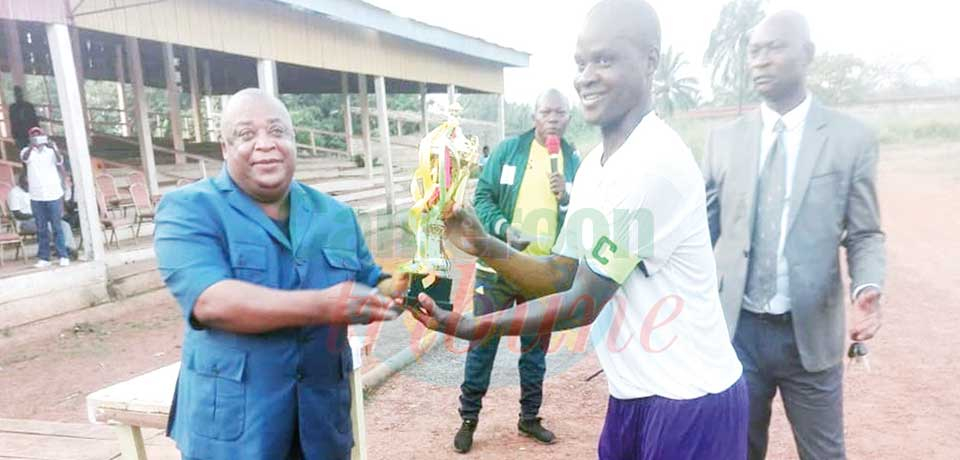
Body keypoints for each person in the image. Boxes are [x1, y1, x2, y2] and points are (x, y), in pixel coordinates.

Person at [410, 1, 748, 458]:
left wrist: (475, 326)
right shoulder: (592, 166)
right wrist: (480, 242)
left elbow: (580, 303)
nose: (585, 76)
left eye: (604, 60)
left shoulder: (655, 164)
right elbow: (562, 272)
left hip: (689, 400)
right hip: (633, 393)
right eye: (581, 62)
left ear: (650, 62)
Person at [154, 88, 407, 460]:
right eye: (246, 135)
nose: (265, 144)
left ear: (293, 141)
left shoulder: (335, 215)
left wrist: (406, 287)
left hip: (320, 425)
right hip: (235, 432)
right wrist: (325, 305)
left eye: (277, 131)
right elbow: (211, 301)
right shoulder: (189, 209)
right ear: (225, 148)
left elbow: (369, 278)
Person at [701, 11, 886, 460]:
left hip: (810, 336)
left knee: (823, 454)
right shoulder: (722, 141)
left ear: (808, 55)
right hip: (738, 333)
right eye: (754, 51)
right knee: (736, 451)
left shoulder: (849, 138)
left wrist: (867, 287)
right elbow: (704, 233)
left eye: (774, 48)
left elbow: (865, 233)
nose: (760, 61)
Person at [453, 88, 581, 453]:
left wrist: (568, 195)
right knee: (483, 341)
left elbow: (589, 209)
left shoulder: (573, 160)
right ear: (534, 116)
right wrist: (503, 230)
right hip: (498, 267)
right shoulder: (509, 151)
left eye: (560, 112)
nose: (553, 118)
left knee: (535, 352)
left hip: (543, 273)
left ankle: (529, 418)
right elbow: (483, 197)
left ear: (569, 118)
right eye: (546, 112)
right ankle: (468, 419)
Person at [19, 127, 69, 268]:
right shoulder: (26, 151)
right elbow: (24, 159)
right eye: (33, 136)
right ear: (30, 138)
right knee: (41, 228)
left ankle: (63, 255)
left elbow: (60, 162)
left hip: (53, 194)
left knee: (57, 226)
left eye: (39, 135)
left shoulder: (51, 151)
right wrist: (31, 146)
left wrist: (53, 147)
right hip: (36, 195)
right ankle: (44, 258)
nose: (37, 138)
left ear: (44, 136)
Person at [7, 172, 76, 256]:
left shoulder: (34, 190)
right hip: (24, 222)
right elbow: (17, 214)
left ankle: (69, 248)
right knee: (48, 226)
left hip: (40, 218)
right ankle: (59, 248)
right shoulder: (14, 192)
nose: (29, 185)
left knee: (64, 224)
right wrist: (37, 216)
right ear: (21, 181)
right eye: (26, 183)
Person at [9, 86, 39, 151]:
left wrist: (37, 132)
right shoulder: (12, 107)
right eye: (16, 94)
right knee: (23, 153)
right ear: (14, 95)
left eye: (19, 93)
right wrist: (14, 136)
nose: (18, 95)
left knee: (34, 152)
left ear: (22, 94)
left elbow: (35, 120)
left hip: (31, 134)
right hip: (20, 136)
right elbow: (12, 122)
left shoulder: (29, 106)